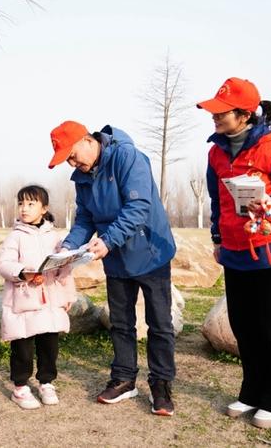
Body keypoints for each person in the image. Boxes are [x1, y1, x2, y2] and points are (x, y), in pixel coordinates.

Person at [199, 77, 271, 429]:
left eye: (221, 112)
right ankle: (252, 391)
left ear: (245, 114)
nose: (214, 117)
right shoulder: (215, 152)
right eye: (213, 111)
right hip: (234, 252)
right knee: (244, 326)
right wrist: (217, 237)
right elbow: (217, 200)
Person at [48, 120, 178, 417]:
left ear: (86, 140)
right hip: (116, 257)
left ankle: (161, 384)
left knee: (159, 323)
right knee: (120, 322)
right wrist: (68, 247)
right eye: (66, 160)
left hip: (150, 251)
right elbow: (85, 218)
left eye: (72, 155)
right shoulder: (81, 177)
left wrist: (108, 240)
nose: (72, 163)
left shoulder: (126, 157)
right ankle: (124, 378)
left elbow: (138, 207)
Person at [0, 185, 77, 410]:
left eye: (31, 204)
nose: (24, 208)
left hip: (50, 301)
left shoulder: (55, 236)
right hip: (24, 300)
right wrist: (24, 272)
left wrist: (68, 294)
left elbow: (65, 268)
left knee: (49, 345)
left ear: (44, 208)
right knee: (22, 345)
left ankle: (46, 382)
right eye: (21, 203)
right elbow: (4, 263)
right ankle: (20, 387)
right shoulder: (16, 236)